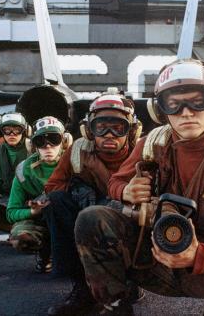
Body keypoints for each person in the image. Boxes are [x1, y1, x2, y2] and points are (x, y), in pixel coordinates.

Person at [74, 59, 204, 315]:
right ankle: (116, 304)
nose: (186, 112)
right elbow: (115, 182)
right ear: (159, 110)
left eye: (198, 101)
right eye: (173, 104)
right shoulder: (151, 143)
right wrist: (125, 191)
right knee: (92, 219)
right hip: (152, 259)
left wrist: (201, 256)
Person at [44, 88, 141, 316]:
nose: (109, 134)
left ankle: (130, 281)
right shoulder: (78, 151)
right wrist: (78, 190)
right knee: (56, 202)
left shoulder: (141, 154)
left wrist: (105, 189)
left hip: (126, 226)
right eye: (101, 127)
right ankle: (82, 287)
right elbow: (51, 187)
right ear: (89, 131)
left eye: (118, 128)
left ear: (131, 131)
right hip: (85, 220)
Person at [7, 116, 71, 273]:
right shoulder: (24, 172)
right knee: (21, 238)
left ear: (64, 142)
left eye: (54, 139)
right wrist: (32, 212)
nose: (48, 146)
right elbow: (11, 212)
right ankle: (45, 253)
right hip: (40, 221)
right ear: (32, 145)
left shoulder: (76, 165)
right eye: (40, 141)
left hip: (69, 219)